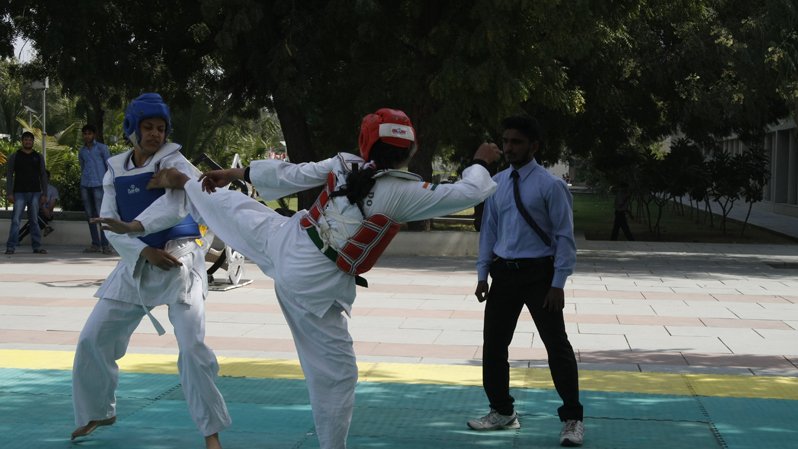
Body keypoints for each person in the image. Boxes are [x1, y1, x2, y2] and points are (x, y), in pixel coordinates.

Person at [98, 107, 501, 449]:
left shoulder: (346, 163)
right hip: (312, 280)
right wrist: (481, 162)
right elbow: (468, 192)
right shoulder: (402, 192)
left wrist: (235, 173)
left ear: (365, 142)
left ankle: (180, 188)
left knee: (234, 208)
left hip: (289, 239)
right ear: (409, 151)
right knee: (336, 375)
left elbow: (291, 174)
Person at [71, 93, 231, 449]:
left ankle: (211, 432)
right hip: (139, 259)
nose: (155, 134)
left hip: (179, 258)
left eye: (160, 128)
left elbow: (178, 206)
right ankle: (97, 410)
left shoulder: (176, 162)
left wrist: (142, 232)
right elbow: (111, 221)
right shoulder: (115, 168)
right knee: (92, 338)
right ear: (133, 128)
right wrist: (143, 250)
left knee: (192, 348)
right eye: (148, 127)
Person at [469, 115, 584, 447]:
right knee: (494, 346)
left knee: (556, 347)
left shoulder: (551, 186)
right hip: (503, 273)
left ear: (534, 146)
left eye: (516, 142)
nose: (508, 148)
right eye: (505, 141)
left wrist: (558, 282)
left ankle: (573, 419)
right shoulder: (497, 183)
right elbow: (489, 230)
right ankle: (502, 411)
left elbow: (564, 238)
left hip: (540, 275)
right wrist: (482, 273)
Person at [5, 131, 49, 255]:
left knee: (34, 220)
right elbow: (9, 175)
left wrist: (44, 193)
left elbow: (43, 175)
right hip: (19, 193)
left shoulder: (38, 156)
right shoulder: (15, 156)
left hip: (35, 193)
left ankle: (37, 246)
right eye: (25, 140)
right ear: (22, 141)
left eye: (30, 140)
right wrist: (9, 193)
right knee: (15, 220)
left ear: (33, 142)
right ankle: (11, 246)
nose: (28, 142)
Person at [79, 124, 112, 254]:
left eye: (89, 133)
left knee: (101, 215)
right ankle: (95, 244)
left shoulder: (102, 148)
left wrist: (109, 184)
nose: (87, 136)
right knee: (90, 216)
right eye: (85, 134)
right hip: (85, 185)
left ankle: (105, 245)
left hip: (99, 184)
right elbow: (82, 166)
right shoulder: (82, 151)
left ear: (94, 135)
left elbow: (109, 166)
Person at [19, 169, 59, 240]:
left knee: (34, 221)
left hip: (46, 213)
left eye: (45, 177)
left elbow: (50, 208)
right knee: (36, 219)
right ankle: (45, 226)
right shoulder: (34, 188)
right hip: (35, 211)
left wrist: (42, 206)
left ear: (48, 178)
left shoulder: (53, 190)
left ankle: (17, 237)